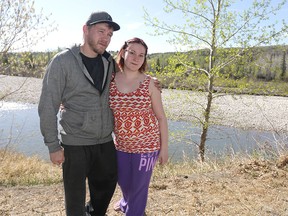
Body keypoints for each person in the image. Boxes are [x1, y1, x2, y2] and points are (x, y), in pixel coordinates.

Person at [38, 11, 120, 216]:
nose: (106, 38)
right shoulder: (63, 61)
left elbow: (130, 79)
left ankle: (93, 212)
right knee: (74, 199)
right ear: (85, 30)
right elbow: (48, 105)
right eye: (101, 31)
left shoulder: (109, 62)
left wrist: (150, 83)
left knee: (108, 182)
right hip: (75, 143)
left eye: (110, 34)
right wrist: (53, 145)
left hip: (104, 141)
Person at [109, 37, 169, 216]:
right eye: (132, 53)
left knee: (139, 188)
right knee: (124, 182)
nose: (136, 58)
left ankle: (134, 211)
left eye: (141, 55)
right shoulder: (110, 80)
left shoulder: (150, 83)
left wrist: (164, 148)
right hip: (121, 145)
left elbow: (161, 118)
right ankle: (126, 201)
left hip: (147, 146)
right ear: (123, 53)